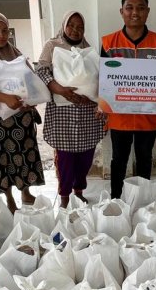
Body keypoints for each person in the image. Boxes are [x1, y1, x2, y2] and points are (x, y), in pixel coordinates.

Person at [0, 12, 45, 213]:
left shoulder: (15, 53)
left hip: (20, 116)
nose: (1, 35)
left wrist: (32, 101)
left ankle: (25, 191)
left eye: (5, 30)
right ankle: (9, 197)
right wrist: (5, 98)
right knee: (2, 157)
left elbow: (29, 79)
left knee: (24, 153)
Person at [100, 0, 156, 199]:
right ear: (121, 11)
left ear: (147, 12)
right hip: (119, 117)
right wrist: (100, 105)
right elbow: (104, 79)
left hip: (147, 118)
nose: (135, 13)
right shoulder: (108, 43)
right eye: (129, 8)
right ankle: (115, 200)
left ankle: (142, 200)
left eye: (140, 8)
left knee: (144, 159)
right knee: (119, 160)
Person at [36, 11, 105, 208]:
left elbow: (98, 78)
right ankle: (65, 196)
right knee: (65, 159)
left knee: (85, 157)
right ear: (64, 25)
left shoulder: (88, 50)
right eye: (71, 25)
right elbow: (41, 70)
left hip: (86, 113)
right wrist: (61, 90)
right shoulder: (53, 45)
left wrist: (92, 96)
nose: (75, 30)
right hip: (62, 113)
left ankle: (79, 191)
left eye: (80, 27)